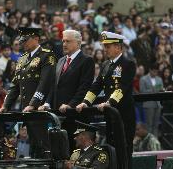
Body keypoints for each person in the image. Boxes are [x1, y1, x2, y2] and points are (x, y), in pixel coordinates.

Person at [76, 31, 136, 168]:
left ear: (118, 47)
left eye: (108, 46)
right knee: (112, 148)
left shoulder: (128, 64)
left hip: (123, 114)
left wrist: (109, 102)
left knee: (124, 149)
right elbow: (96, 86)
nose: (105, 49)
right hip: (110, 114)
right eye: (105, 46)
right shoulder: (105, 65)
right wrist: (85, 102)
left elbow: (122, 87)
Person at [0, 27, 56, 157]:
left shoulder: (46, 55)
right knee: (33, 145)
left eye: (26, 40)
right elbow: (15, 85)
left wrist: (33, 103)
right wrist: (5, 105)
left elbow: (45, 82)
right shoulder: (22, 59)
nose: (23, 43)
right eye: (21, 40)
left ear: (36, 38)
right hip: (26, 109)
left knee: (44, 145)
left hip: (40, 108)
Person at [39, 29, 94, 150]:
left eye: (68, 41)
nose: (64, 44)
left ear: (78, 43)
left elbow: (84, 88)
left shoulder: (86, 60)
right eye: (63, 41)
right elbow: (54, 86)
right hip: (58, 116)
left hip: (75, 116)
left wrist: (70, 105)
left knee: (74, 152)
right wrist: (47, 103)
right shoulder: (60, 61)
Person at [139, 64, 163, 137]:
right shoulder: (143, 79)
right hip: (148, 103)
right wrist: (153, 89)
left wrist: (161, 90)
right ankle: (149, 141)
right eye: (154, 72)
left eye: (156, 72)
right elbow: (142, 91)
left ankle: (155, 142)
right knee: (149, 125)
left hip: (158, 104)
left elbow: (161, 89)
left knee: (156, 125)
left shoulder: (159, 79)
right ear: (150, 70)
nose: (155, 73)